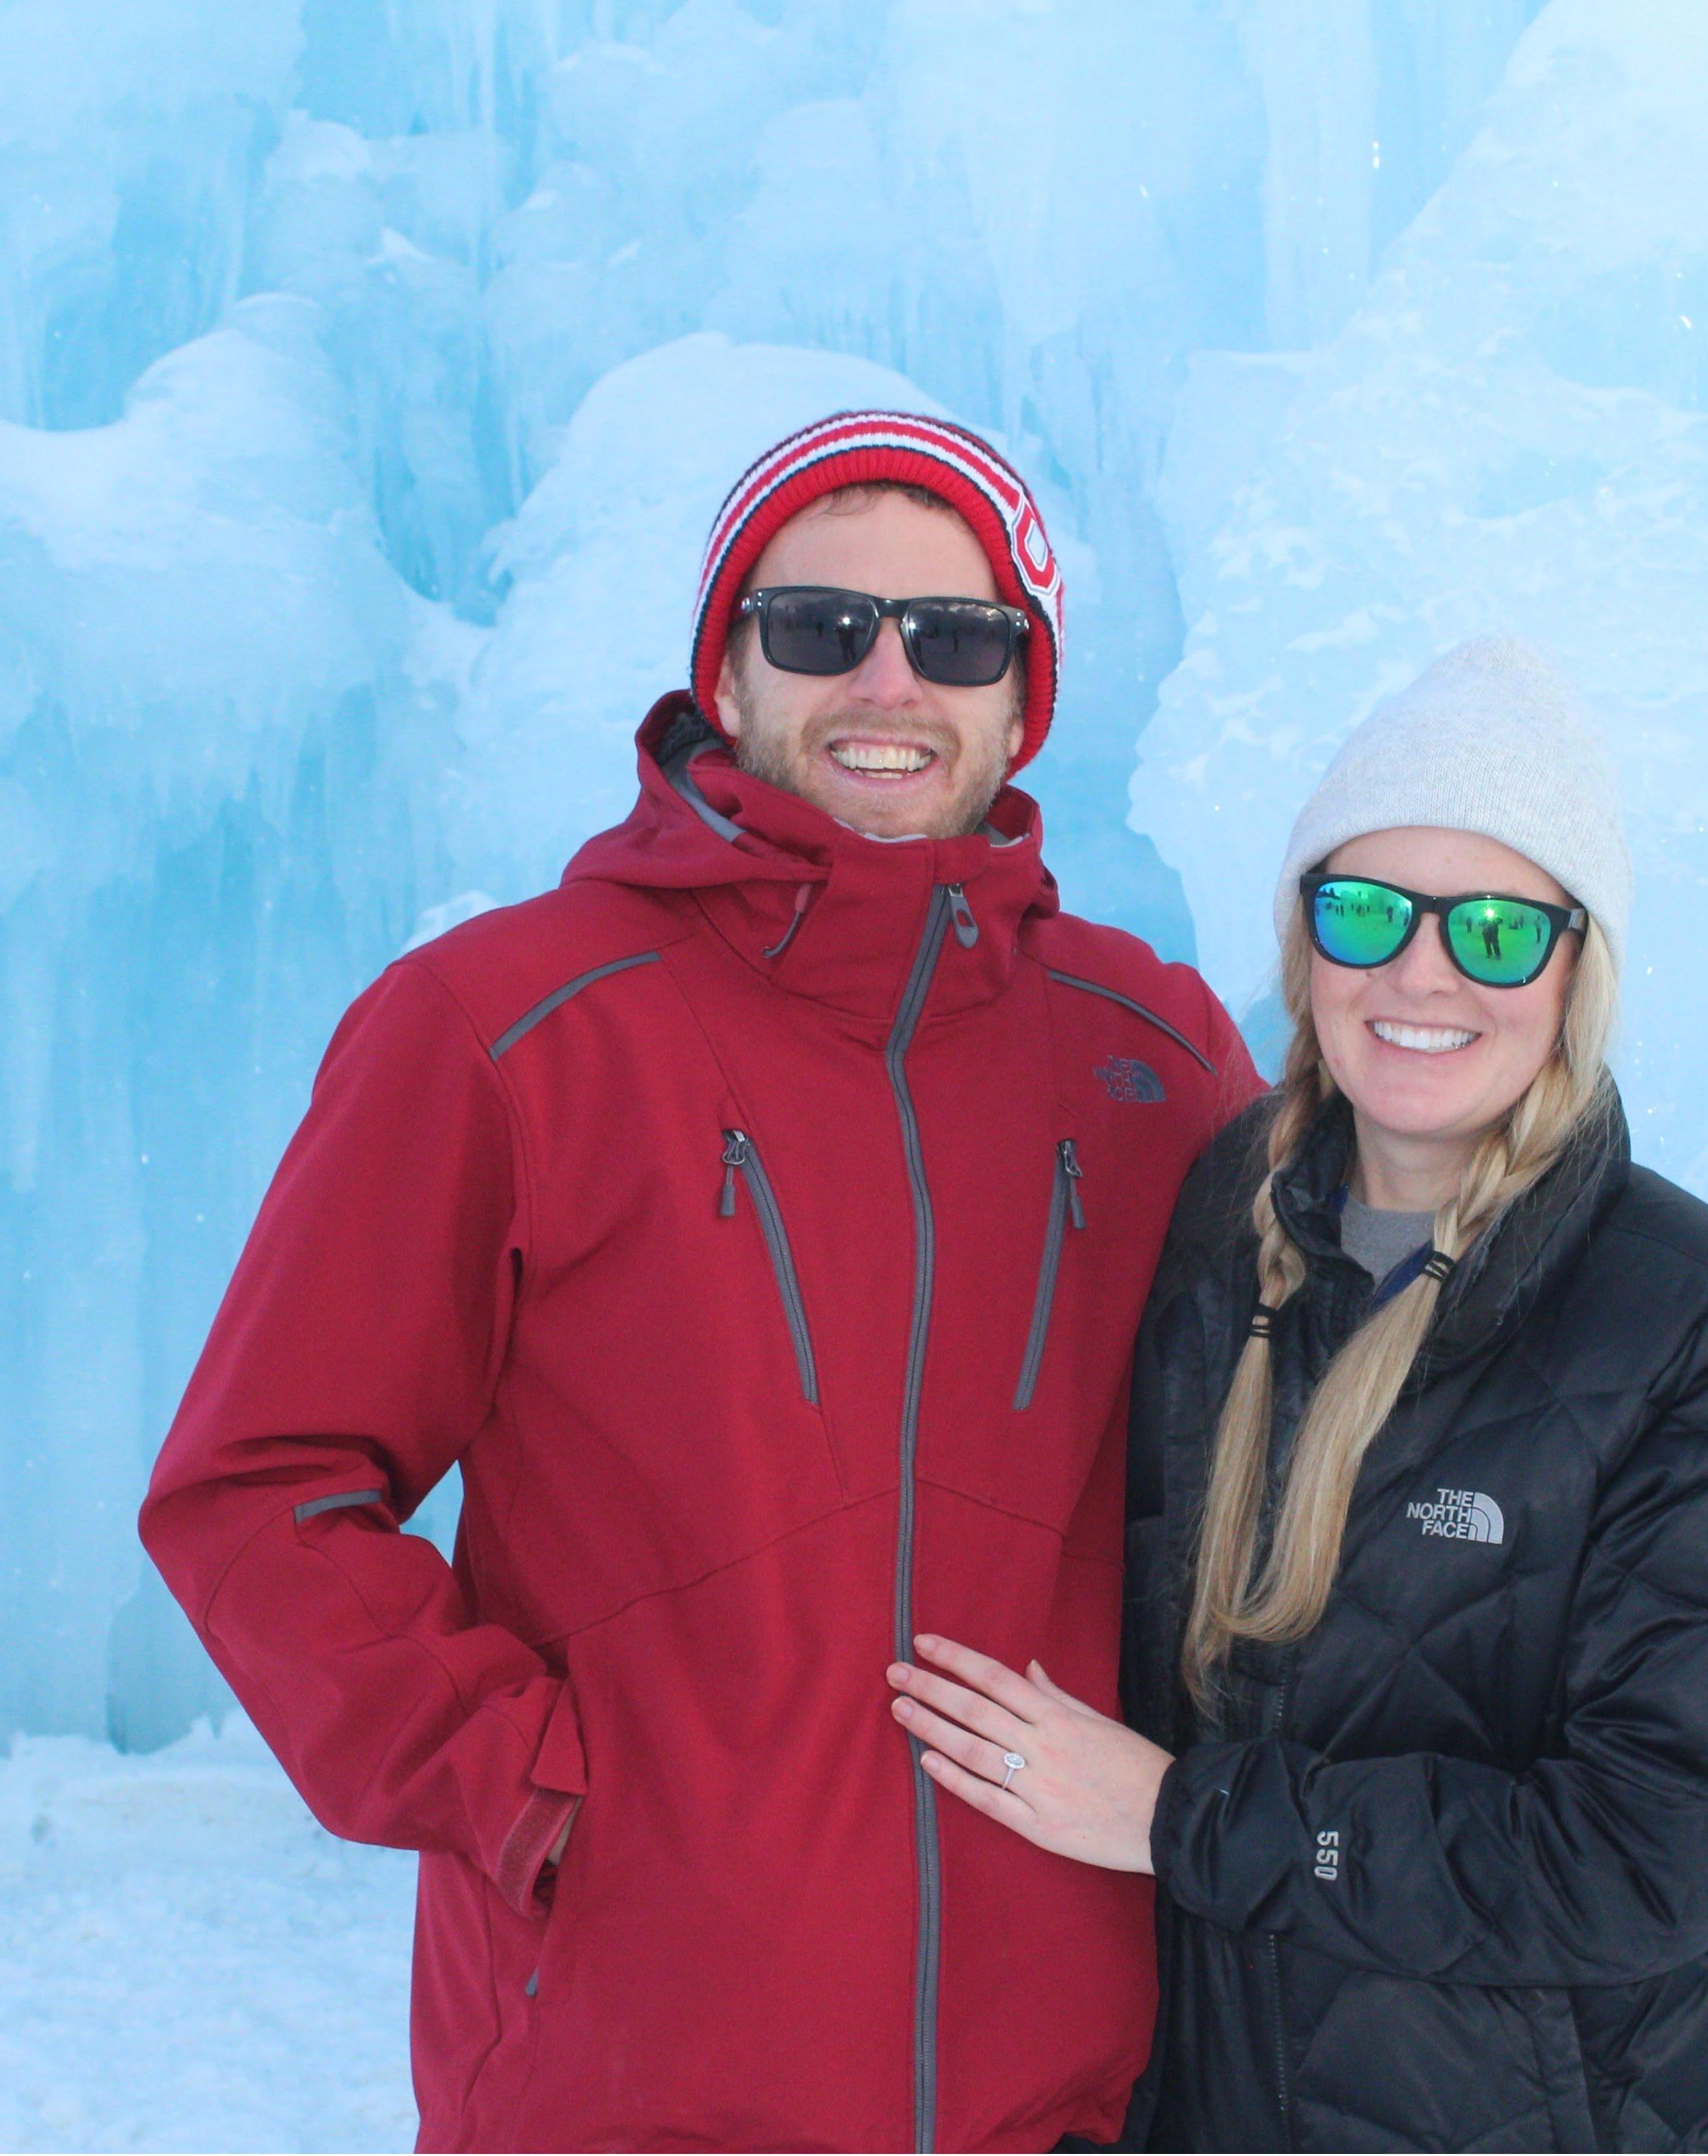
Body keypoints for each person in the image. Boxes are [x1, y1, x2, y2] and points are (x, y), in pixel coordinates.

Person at [140, 409, 1263, 2154]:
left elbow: (1327, 1470)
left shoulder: (1153, 1055)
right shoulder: (503, 1027)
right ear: (723, 672)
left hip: (1057, 2103)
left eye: (954, 640)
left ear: (1022, 698)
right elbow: (255, 1489)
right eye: (820, 627)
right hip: (620, 2092)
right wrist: (535, 1790)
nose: (888, 681)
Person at [884, 635, 1708, 2152]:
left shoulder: (1700, 1332)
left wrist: (1187, 1818)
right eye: (1367, 910)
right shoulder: (1216, 1236)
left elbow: (1651, 1855)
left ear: (1577, 966)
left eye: (1498, 933)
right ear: (1303, 944)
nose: (1422, 973)